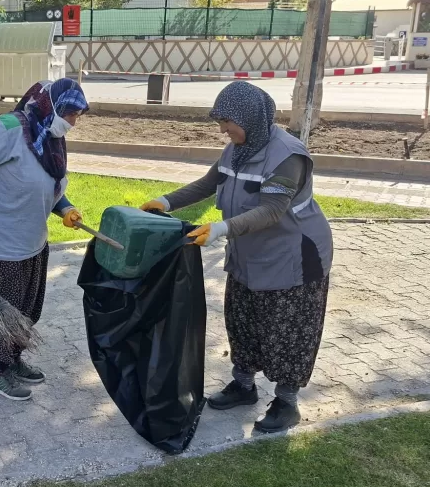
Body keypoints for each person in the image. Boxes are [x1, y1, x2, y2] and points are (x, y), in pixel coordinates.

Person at [141, 80, 332, 433]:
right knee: (243, 319)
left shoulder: (288, 156)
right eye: (220, 122)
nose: (223, 130)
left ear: (250, 117)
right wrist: (167, 201)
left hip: (292, 259)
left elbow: (272, 210)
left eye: (228, 122)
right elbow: (208, 183)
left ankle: (287, 403)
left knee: (287, 331)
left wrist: (220, 229)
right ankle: (243, 386)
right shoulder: (237, 149)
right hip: (249, 255)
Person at [0, 79, 90, 401]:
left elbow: (46, 183)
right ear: (50, 106)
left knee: (24, 309)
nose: (72, 122)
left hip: (31, 244)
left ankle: (13, 360)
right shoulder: (9, 128)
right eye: (69, 113)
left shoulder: (51, 138)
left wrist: (65, 207)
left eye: (77, 116)